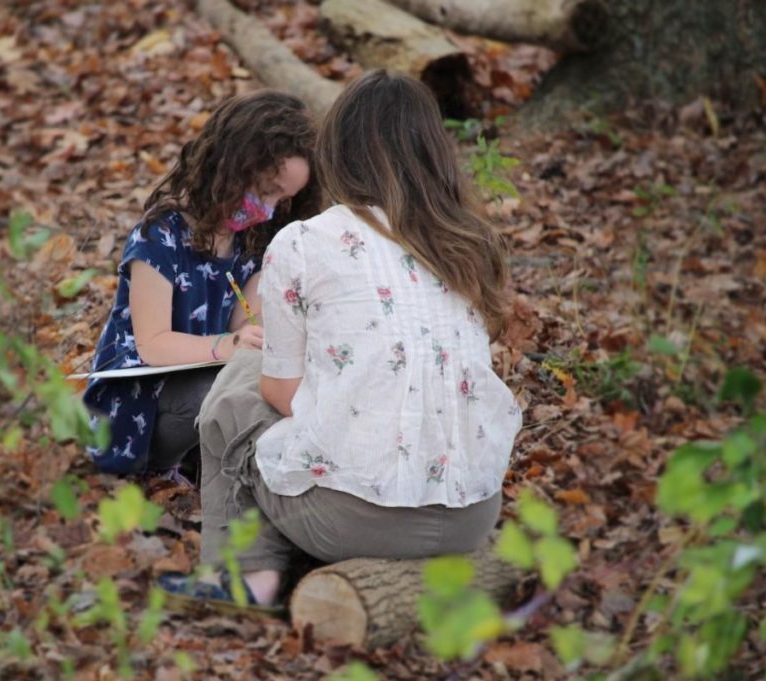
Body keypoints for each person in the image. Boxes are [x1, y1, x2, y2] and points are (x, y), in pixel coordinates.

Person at [162, 71, 522, 608]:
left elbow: (282, 393)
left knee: (241, 381)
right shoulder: (467, 242)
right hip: (474, 512)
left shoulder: (306, 242)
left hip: (355, 523)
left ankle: (246, 576)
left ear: (338, 150)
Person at [83, 91, 320, 479]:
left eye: (284, 199)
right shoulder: (159, 236)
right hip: (137, 405)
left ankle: (209, 466)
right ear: (230, 166)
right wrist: (228, 346)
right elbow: (153, 343)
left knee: (256, 383)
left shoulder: (252, 240)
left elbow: (245, 322)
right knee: (211, 393)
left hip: (204, 379)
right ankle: (156, 469)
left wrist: (253, 334)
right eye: (266, 190)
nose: (271, 208)